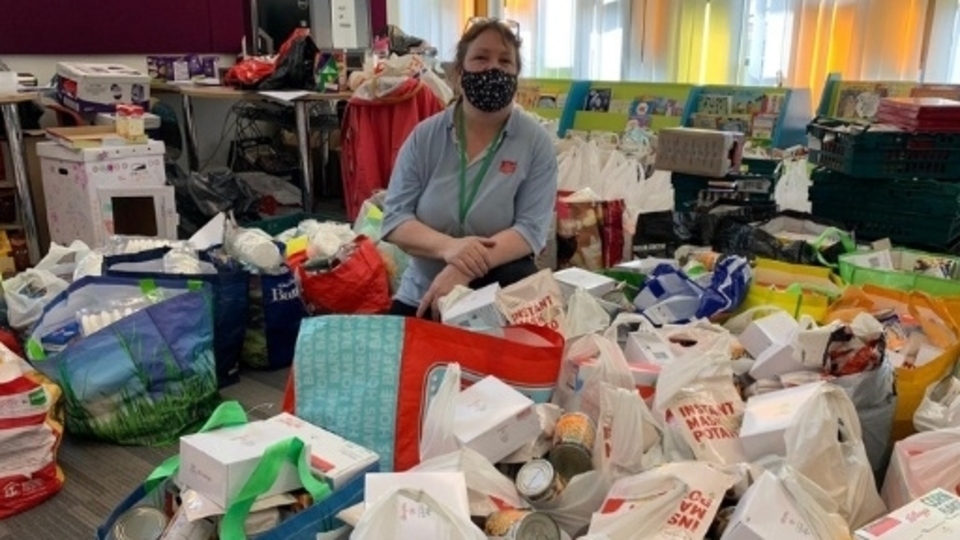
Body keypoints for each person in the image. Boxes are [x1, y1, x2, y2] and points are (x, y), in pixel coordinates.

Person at [381, 18, 557, 319]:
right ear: (460, 73)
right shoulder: (425, 137)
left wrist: (463, 269)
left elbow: (530, 230)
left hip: (501, 294)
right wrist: (450, 249)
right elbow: (396, 220)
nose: (494, 68)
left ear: (516, 75)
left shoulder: (536, 143)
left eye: (505, 61)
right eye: (481, 57)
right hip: (424, 291)